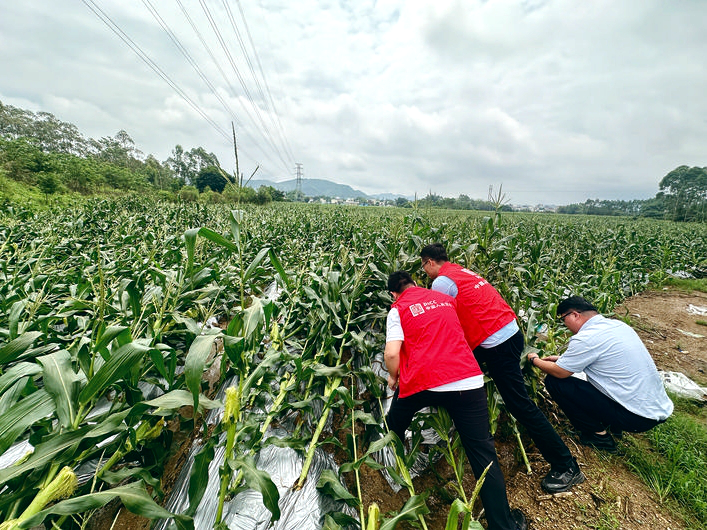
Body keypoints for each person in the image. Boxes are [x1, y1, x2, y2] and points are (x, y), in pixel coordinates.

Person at [419, 243, 583, 494]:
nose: (425, 271)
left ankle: (566, 465)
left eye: (423, 266)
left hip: (498, 344)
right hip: (508, 334)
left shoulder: (442, 282)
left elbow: (440, 321)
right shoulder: (461, 271)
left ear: (430, 262)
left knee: (520, 405)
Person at [384, 271, 527, 530]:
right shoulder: (444, 299)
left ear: (393, 293)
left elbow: (392, 353)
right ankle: (503, 525)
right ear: (415, 283)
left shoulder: (398, 309)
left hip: (423, 380)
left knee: (394, 421)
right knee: (483, 452)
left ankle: (391, 459)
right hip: (465, 380)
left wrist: (393, 378)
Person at [527, 296, 674, 453]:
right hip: (654, 409)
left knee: (555, 382)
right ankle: (613, 425)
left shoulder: (586, 338)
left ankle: (598, 436)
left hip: (636, 417)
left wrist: (534, 359)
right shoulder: (618, 326)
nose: (565, 325)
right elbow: (603, 358)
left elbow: (560, 372)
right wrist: (562, 359)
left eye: (564, 319)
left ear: (575, 315)